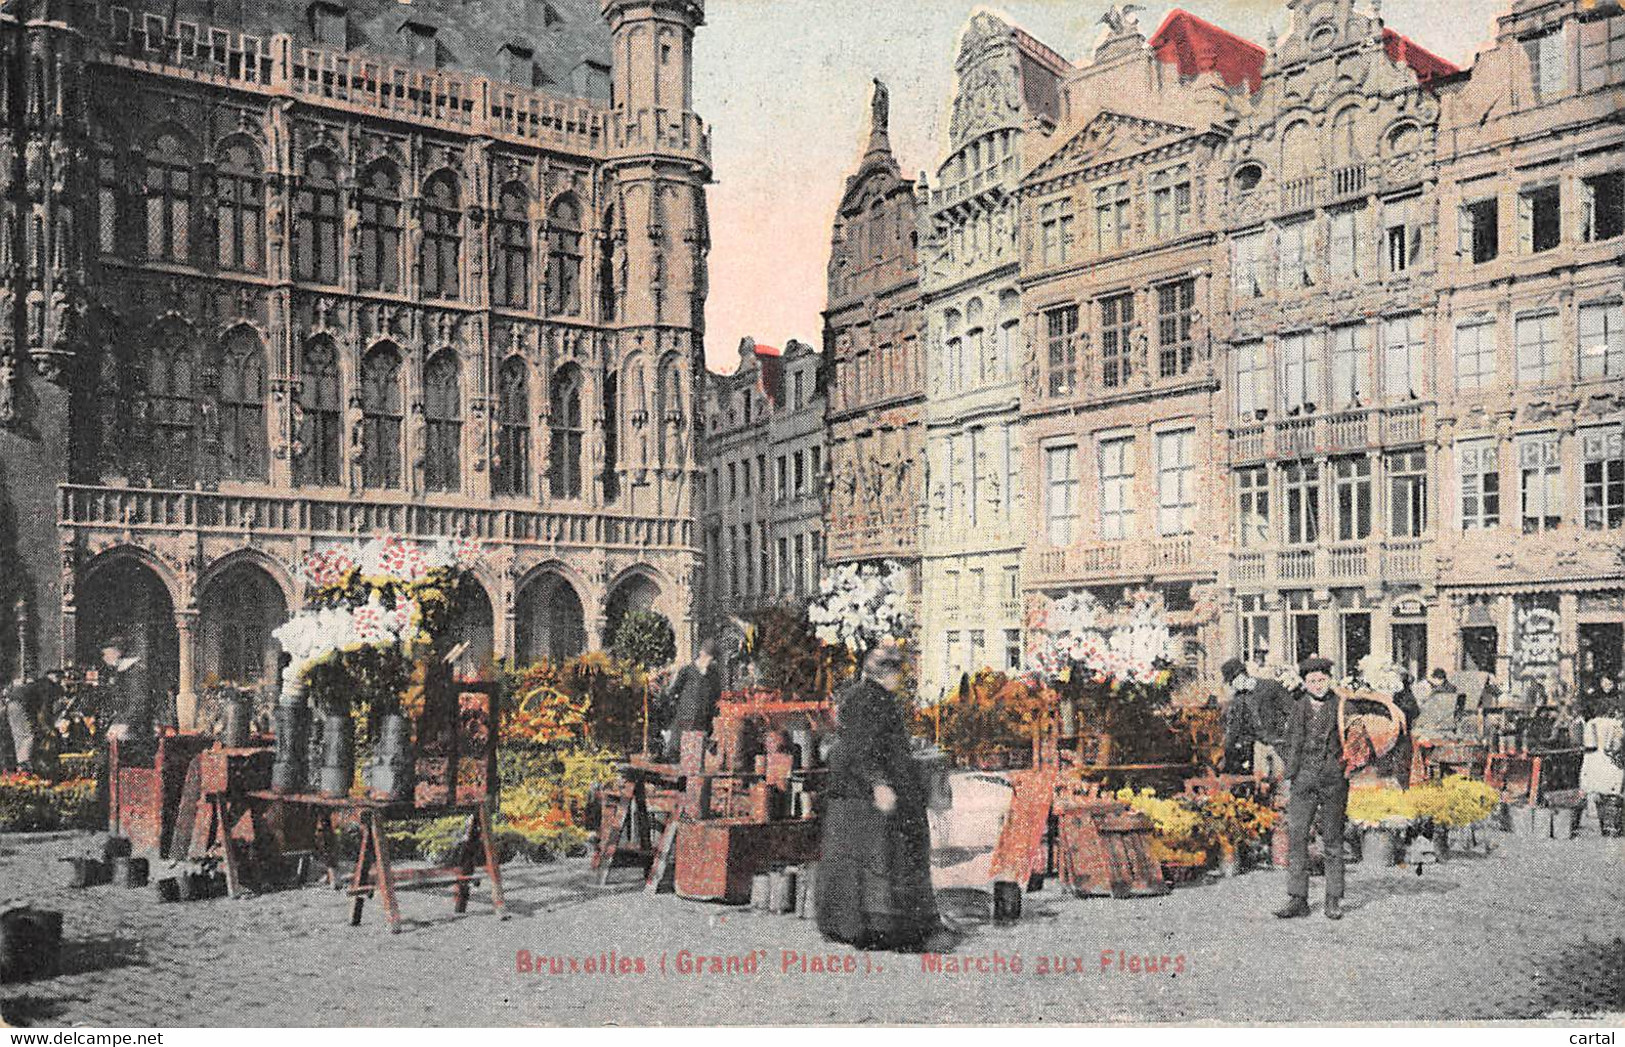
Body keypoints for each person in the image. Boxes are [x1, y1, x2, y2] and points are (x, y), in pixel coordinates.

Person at [816, 644, 940, 951]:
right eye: (899, 671)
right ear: (886, 671)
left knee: (873, 858)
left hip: (862, 789)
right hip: (860, 793)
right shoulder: (867, 699)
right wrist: (879, 784)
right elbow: (861, 747)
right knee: (873, 859)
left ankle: (871, 924)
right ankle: (873, 927)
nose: (901, 677)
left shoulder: (874, 697)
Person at [1276, 655, 1375, 921]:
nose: (1317, 685)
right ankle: (1298, 899)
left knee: (1332, 840)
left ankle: (1333, 899)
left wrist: (1348, 764)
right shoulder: (1297, 707)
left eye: (1321, 680)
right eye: (1312, 681)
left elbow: (1359, 741)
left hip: (1333, 781)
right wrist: (1290, 772)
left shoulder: (1344, 707)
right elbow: (1288, 742)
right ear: (1304, 683)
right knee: (1296, 838)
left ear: (1329, 680)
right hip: (1303, 780)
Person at [1220, 658, 1293, 781]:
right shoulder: (1238, 700)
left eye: (1232, 681)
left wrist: (1284, 735)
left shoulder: (1271, 687)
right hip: (1259, 747)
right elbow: (1233, 729)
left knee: (1282, 783)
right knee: (1260, 786)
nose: (1232, 685)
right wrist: (1226, 754)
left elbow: (1292, 712)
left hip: (1280, 744)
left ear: (1241, 674)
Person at [661, 637, 722, 760]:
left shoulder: (713, 673)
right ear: (701, 653)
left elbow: (717, 693)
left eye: (712, 659)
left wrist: (714, 710)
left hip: (703, 715)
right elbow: (674, 690)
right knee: (678, 743)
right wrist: (667, 696)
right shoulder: (688, 670)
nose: (710, 662)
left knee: (696, 747)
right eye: (708, 657)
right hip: (686, 713)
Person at [2, 669, 63, 772]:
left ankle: (21, 763)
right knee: (27, 735)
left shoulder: (40, 684)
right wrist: (49, 729)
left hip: (12, 703)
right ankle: (24, 766)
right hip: (18, 704)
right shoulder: (48, 687)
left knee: (21, 735)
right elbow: (43, 712)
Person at [1579, 690, 1624, 825]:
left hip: (1592, 760)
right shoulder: (1616, 725)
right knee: (1611, 795)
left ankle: (1595, 818)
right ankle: (1611, 822)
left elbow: (1588, 744)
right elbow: (1616, 746)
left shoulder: (1590, 724)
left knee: (1594, 792)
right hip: (1610, 762)